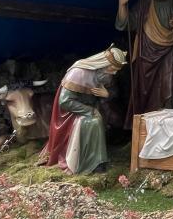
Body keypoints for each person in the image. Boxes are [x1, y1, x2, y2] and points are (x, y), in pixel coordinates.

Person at [41, 46, 127, 174]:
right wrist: (89, 111)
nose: (114, 73)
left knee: (105, 116)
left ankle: (98, 158)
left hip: (93, 106)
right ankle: (90, 162)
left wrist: (106, 94)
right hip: (71, 113)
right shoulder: (79, 72)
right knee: (93, 121)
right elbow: (64, 101)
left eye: (116, 70)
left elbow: (114, 92)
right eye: (112, 69)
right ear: (103, 64)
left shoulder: (105, 74)